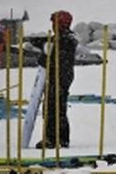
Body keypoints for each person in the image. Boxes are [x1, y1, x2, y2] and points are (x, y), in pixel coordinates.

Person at [32, 11, 77, 149]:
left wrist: (45, 58)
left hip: (60, 76)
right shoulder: (62, 38)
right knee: (56, 106)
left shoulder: (65, 40)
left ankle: (52, 139)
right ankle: (60, 138)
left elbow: (56, 58)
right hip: (61, 75)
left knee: (53, 107)